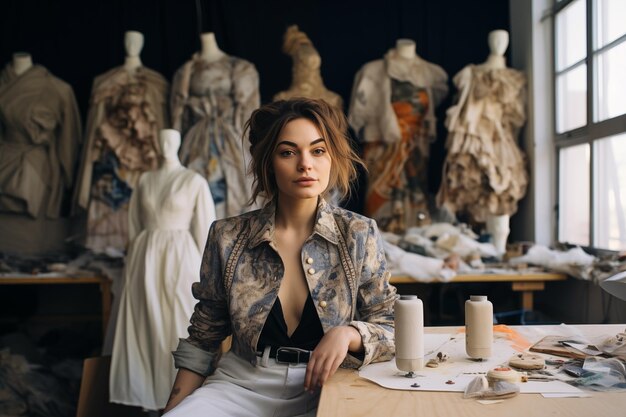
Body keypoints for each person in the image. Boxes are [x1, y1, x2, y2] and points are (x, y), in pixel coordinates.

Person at [163, 98, 397, 416]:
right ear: (269, 162)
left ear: (332, 157)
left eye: (318, 150)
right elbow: (204, 336)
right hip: (239, 387)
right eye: (288, 152)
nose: (305, 164)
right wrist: (172, 409)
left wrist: (350, 333)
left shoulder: (357, 233)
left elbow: (391, 325)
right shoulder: (228, 236)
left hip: (328, 387)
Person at [109, 129, 216, 411]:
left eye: (171, 139)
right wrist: (133, 256)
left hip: (180, 256)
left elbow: (207, 228)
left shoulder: (193, 181)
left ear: (178, 143)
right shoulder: (145, 179)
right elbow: (134, 223)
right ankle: (144, 393)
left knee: (180, 318)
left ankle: (180, 393)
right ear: (156, 142)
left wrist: (206, 270)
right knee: (144, 320)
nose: (166, 144)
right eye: (162, 139)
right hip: (144, 256)